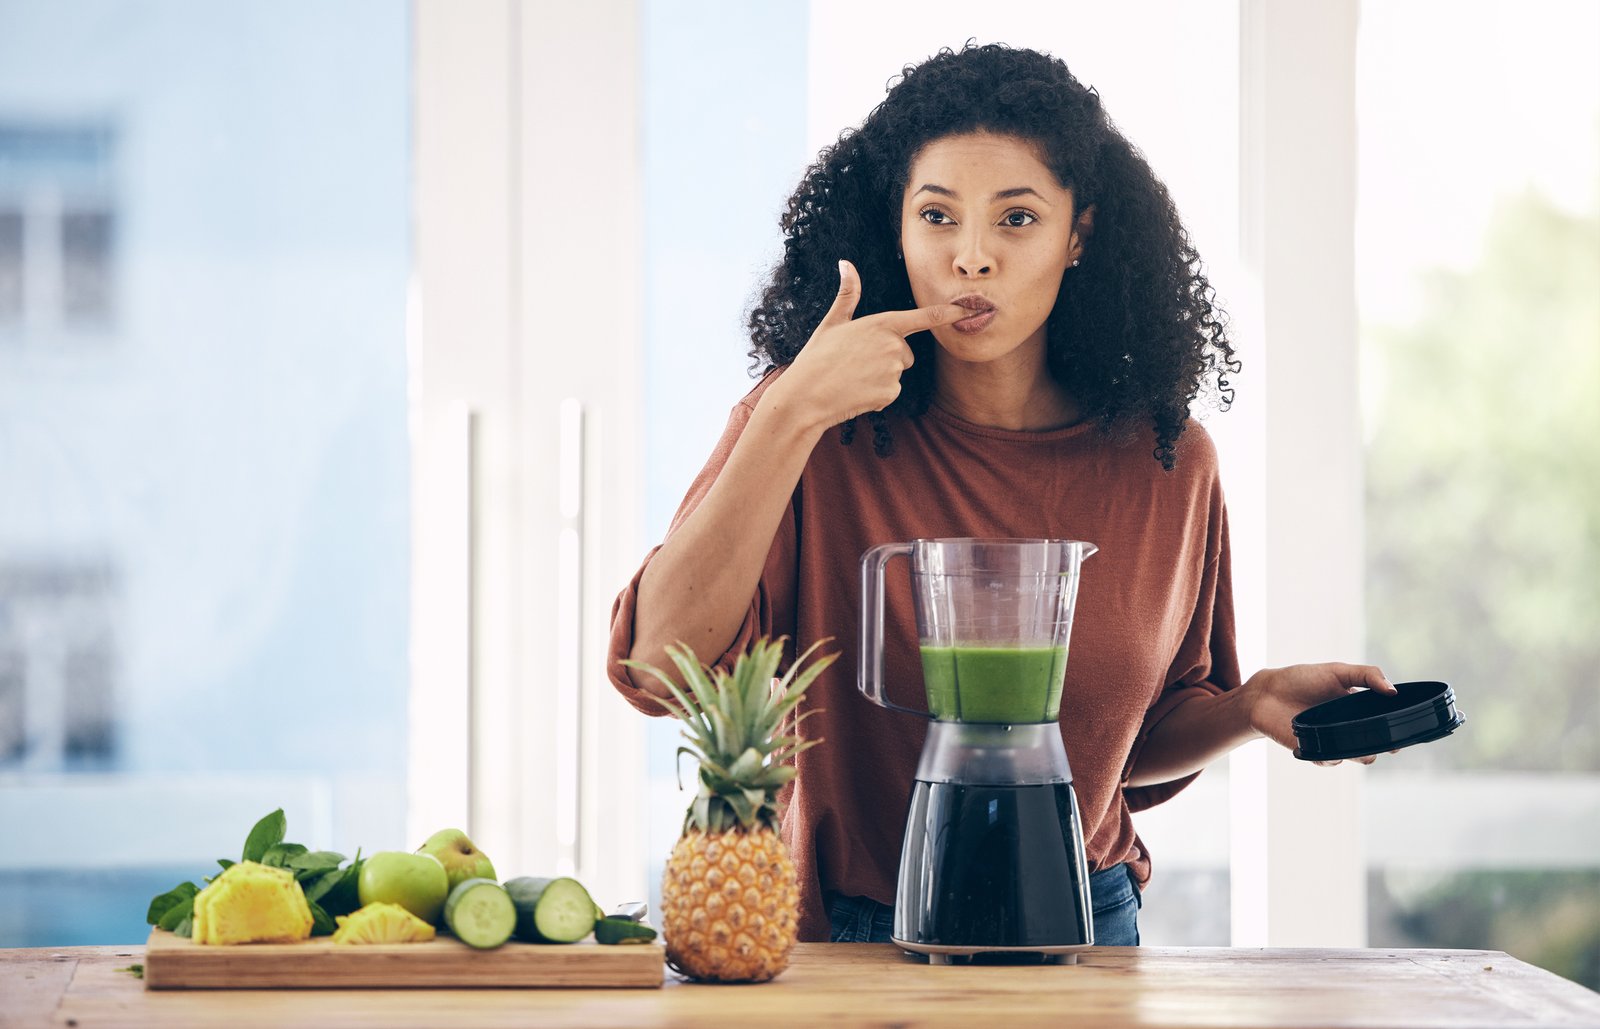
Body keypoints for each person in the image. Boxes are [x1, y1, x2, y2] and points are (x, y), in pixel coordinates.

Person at [606, 42, 1393, 946]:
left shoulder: (1169, 464)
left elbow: (1122, 745)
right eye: (937, 215)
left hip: (1085, 923)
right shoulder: (814, 425)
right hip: (849, 933)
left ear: (1079, 235)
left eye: (1016, 219)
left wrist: (1248, 707)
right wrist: (786, 415)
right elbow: (654, 667)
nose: (970, 257)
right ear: (895, 230)